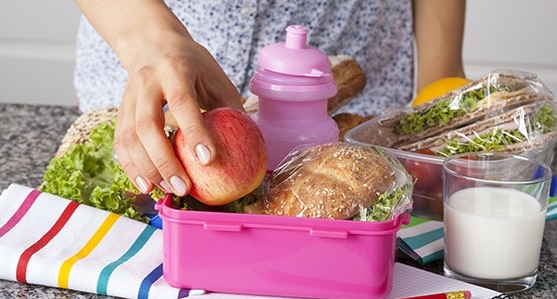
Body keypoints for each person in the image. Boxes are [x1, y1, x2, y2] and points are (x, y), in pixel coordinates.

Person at [73, 0, 466, 197]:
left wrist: (440, 87)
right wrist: (152, 39)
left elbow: (439, 88)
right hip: (148, 89)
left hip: (361, 112)